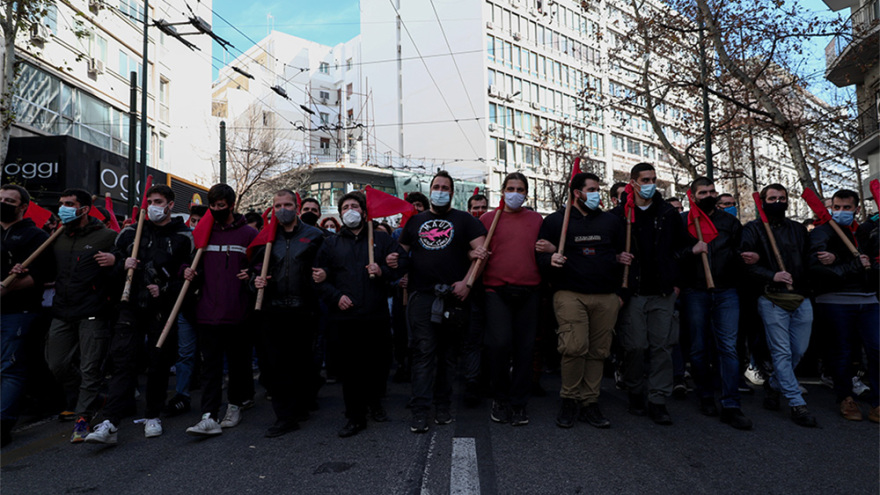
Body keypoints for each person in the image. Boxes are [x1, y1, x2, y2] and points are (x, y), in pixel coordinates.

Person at [85, 185, 193, 444]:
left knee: (158, 362)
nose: (154, 206)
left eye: (159, 201)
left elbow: (188, 277)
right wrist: (120, 263)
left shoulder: (183, 236)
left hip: (161, 310)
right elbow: (111, 269)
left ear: (170, 204)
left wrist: (165, 289)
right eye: (150, 201)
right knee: (123, 362)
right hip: (129, 305)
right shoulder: (130, 232)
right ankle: (110, 421)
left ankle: (153, 414)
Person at [393, 171, 487, 433]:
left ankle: (443, 404)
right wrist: (395, 264)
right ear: (430, 189)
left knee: (447, 354)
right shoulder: (415, 222)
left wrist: (467, 283)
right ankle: (421, 408)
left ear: (453, 193)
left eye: (445, 187)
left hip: (453, 298)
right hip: (422, 297)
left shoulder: (465, 220)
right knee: (423, 353)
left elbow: (481, 255)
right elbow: (402, 255)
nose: (440, 191)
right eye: (436, 186)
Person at [537, 173, 625, 429]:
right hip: (569, 293)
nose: (597, 193)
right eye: (592, 189)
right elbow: (540, 257)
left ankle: (590, 401)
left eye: (598, 189)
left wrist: (621, 294)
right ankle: (569, 398)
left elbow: (622, 257)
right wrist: (549, 259)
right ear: (577, 193)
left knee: (598, 351)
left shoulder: (611, 222)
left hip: (606, 295)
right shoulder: (556, 222)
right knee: (574, 347)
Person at [314, 192, 406, 437]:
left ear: (365, 212)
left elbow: (402, 265)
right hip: (346, 316)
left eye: (355, 206)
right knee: (352, 368)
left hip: (375, 314)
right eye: (346, 207)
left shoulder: (381, 240)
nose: (350, 210)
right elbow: (319, 277)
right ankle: (355, 416)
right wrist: (336, 297)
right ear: (340, 213)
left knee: (378, 364)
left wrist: (385, 269)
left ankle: (375, 404)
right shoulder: (331, 243)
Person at [611, 163, 690, 425]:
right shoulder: (620, 215)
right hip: (634, 291)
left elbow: (682, 249)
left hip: (663, 291)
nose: (650, 183)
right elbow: (608, 249)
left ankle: (657, 398)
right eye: (645, 179)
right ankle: (635, 388)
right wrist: (616, 258)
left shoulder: (668, 213)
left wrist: (676, 281)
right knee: (634, 346)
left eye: (653, 179)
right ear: (633, 182)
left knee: (663, 347)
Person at [183, 184, 258, 436]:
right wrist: (188, 271)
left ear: (232, 205)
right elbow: (192, 260)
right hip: (207, 311)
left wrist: (252, 273)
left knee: (237, 364)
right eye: (212, 206)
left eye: (221, 206)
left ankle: (235, 405)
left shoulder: (248, 234)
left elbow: (260, 265)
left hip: (237, 311)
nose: (216, 210)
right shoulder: (204, 231)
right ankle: (208, 414)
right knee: (210, 367)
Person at [44, 189, 118, 442]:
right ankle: (93, 393)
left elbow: (126, 266)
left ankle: (83, 416)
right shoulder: (57, 236)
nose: (62, 208)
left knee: (90, 366)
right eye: (61, 203)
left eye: (68, 204)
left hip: (93, 312)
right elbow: (45, 268)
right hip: (62, 310)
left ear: (84, 209)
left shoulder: (107, 236)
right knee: (56, 363)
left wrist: (115, 260)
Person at [740, 183, 817, 427]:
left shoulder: (798, 230)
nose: (777, 202)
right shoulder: (753, 230)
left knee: (798, 350)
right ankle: (796, 403)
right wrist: (770, 275)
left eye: (781, 198)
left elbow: (809, 259)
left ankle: (774, 384)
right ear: (762, 201)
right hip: (772, 298)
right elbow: (746, 263)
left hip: (800, 297)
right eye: (772, 198)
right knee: (781, 352)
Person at [678, 177, 752, 430]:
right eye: (703, 192)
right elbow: (673, 256)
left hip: (726, 291)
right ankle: (705, 395)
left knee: (728, 348)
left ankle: (731, 403)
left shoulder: (729, 223)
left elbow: (738, 252)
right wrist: (691, 251)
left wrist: (746, 258)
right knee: (698, 348)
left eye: (712, 191)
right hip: (695, 291)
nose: (708, 195)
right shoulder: (683, 222)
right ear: (694, 195)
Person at [251, 189, 324, 438]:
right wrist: (255, 281)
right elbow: (253, 269)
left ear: (297, 206)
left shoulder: (315, 236)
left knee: (302, 362)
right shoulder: (267, 237)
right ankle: (284, 416)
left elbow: (327, 266)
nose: (283, 209)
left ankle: (300, 405)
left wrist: (323, 276)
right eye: (278, 204)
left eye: (288, 204)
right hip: (274, 309)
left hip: (304, 309)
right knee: (277, 365)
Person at [475, 173, 544, 426]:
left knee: (525, 349)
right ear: (502, 191)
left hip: (529, 291)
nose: (515, 192)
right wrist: (474, 251)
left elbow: (547, 247)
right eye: (511, 188)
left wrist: (548, 249)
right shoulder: (487, 219)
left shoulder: (537, 220)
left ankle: (519, 403)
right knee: (500, 345)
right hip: (496, 291)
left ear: (526, 193)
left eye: (520, 189)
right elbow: (473, 250)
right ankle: (500, 397)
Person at [809, 189, 879, 423]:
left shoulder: (866, 233)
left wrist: (862, 265)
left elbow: (871, 261)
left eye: (846, 208)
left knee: (877, 349)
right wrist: (850, 265)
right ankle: (845, 398)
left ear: (857, 209)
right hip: (835, 301)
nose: (840, 212)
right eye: (836, 207)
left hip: (868, 300)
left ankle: (878, 402)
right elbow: (818, 268)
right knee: (842, 352)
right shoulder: (821, 233)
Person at [0, 185, 53, 447]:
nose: (3, 203)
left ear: (23, 207)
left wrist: (6, 288)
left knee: (10, 367)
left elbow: (38, 277)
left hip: (17, 312)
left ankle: (3, 423)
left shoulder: (35, 236)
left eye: (9, 201)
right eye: (0, 199)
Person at [164, 203, 208, 417]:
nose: (196, 226)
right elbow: (173, 264)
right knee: (185, 353)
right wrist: (184, 270)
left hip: (210, 307)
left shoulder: (214, 241)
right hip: (187, 306)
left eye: (201, 222)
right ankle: (182, 394)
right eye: (193, 221)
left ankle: (211, 396)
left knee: (210, 353)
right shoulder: (182, 241)